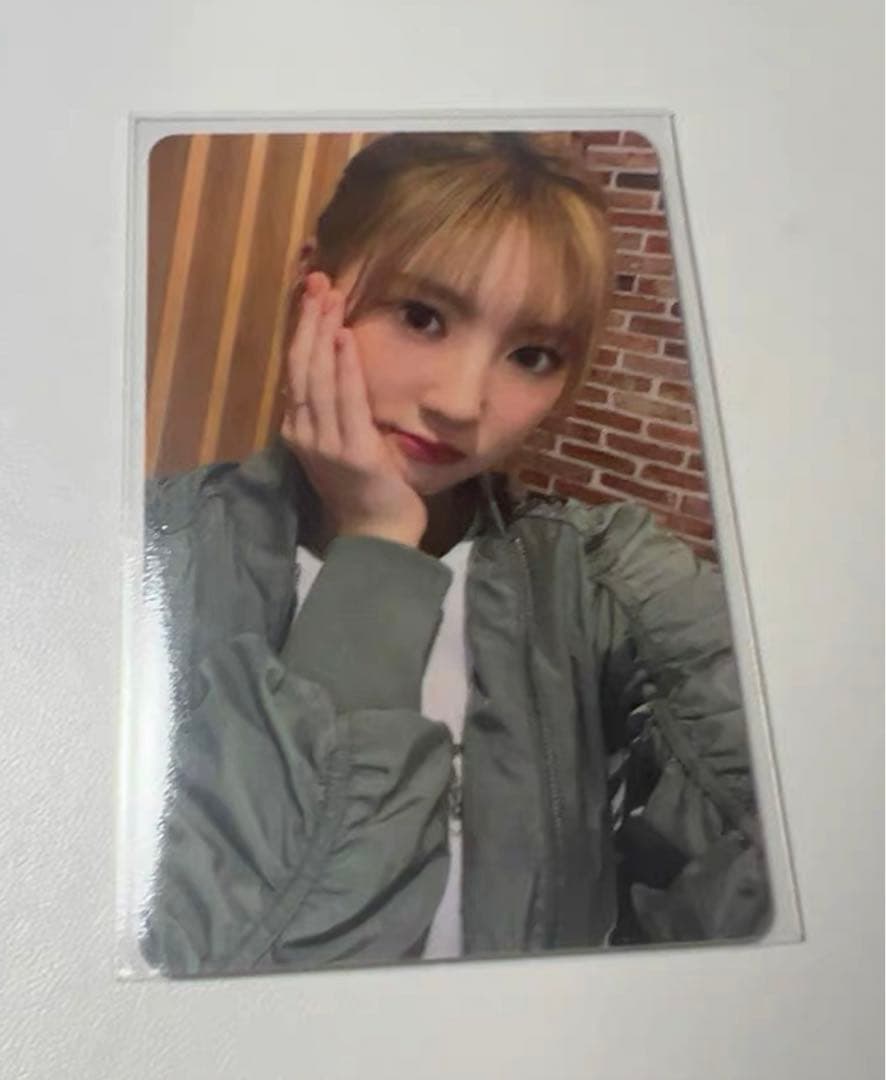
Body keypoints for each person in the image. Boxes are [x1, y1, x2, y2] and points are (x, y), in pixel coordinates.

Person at [139, 132, 770, 977]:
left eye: (532, 356)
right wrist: (375, 548)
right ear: (313, 286)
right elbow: (244, 974)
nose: (463, 403)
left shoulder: (602, 575)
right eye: (422, 316)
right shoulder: (146, 561)